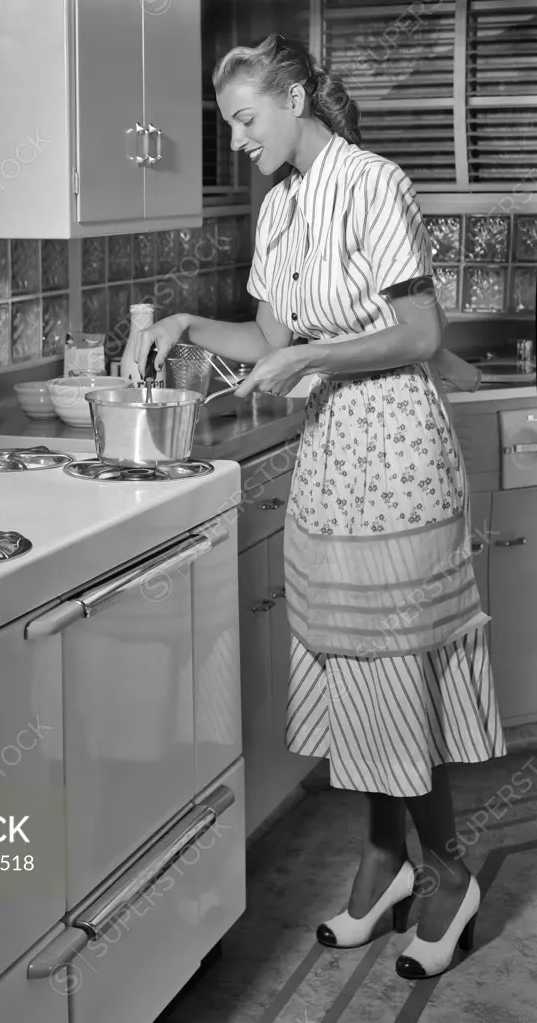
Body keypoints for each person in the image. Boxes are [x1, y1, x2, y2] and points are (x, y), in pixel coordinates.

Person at [123, 33, 506, 981]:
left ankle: (448, 874)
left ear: (293, 99)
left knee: (396, 665)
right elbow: (266, 334)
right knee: (347, 660)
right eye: (228, 125)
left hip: (398, 451)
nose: (238, 138)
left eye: (246, 119)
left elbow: (418, 331)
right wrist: (181, 321)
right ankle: (382, 863)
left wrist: (308, 360)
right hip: (332, 454)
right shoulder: (281, 206)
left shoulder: (373, 181)